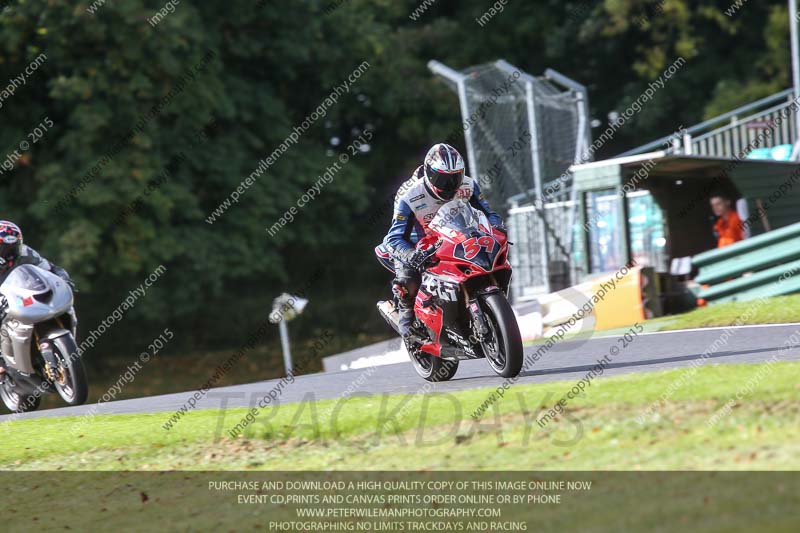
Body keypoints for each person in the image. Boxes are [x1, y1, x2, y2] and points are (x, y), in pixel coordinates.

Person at [382, 143, 504, 338]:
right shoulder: (409, 195)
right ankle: (406, 317)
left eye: (455, 177)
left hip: (455, 238)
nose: (449, 185)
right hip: (418, 245)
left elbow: (489, 214)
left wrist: (497, 228)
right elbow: (394, 238)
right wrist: (412, 255)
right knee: (408, 281)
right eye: (443, 179)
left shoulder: (468, 185)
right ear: (430, 174)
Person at [0, 221, 72, 373]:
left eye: (13, 247)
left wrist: (63, 278)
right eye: (4, 249)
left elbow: (50, 268)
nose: (9, 253)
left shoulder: (26, 253)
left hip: (22, 296)